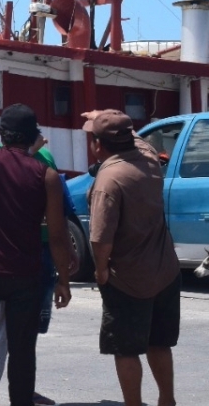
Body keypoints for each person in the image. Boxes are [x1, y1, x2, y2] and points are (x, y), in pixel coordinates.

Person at [0, 104, 71, 406]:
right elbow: (57, 235)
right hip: (25, 273)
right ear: (33, 137)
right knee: (22, 347)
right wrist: (64, 280)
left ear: (1, 135)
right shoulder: (47, 176)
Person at [85, 109, 180, 406]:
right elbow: (137, 140)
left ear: (98, 145)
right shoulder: (149, 158)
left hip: (127, 280)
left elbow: (100, 239)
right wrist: (109, 117)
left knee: (126, 350)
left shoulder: (109, 180)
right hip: (164, 270)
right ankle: (167, 400)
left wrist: (101, 271)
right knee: (159, 342)